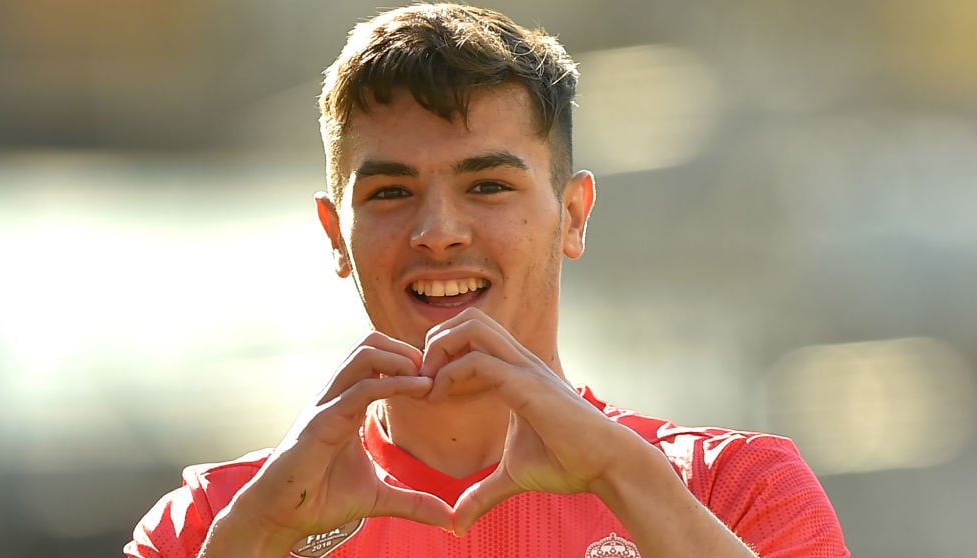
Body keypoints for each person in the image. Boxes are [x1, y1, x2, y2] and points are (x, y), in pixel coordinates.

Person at [125, 4, 849, 557]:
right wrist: (255, 541)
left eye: (489, 186)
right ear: (332, 235)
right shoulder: (212, 521)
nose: (438, 230)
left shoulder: (738, 490)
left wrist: (623, 476)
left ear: (573, 216)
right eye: (389, 193)